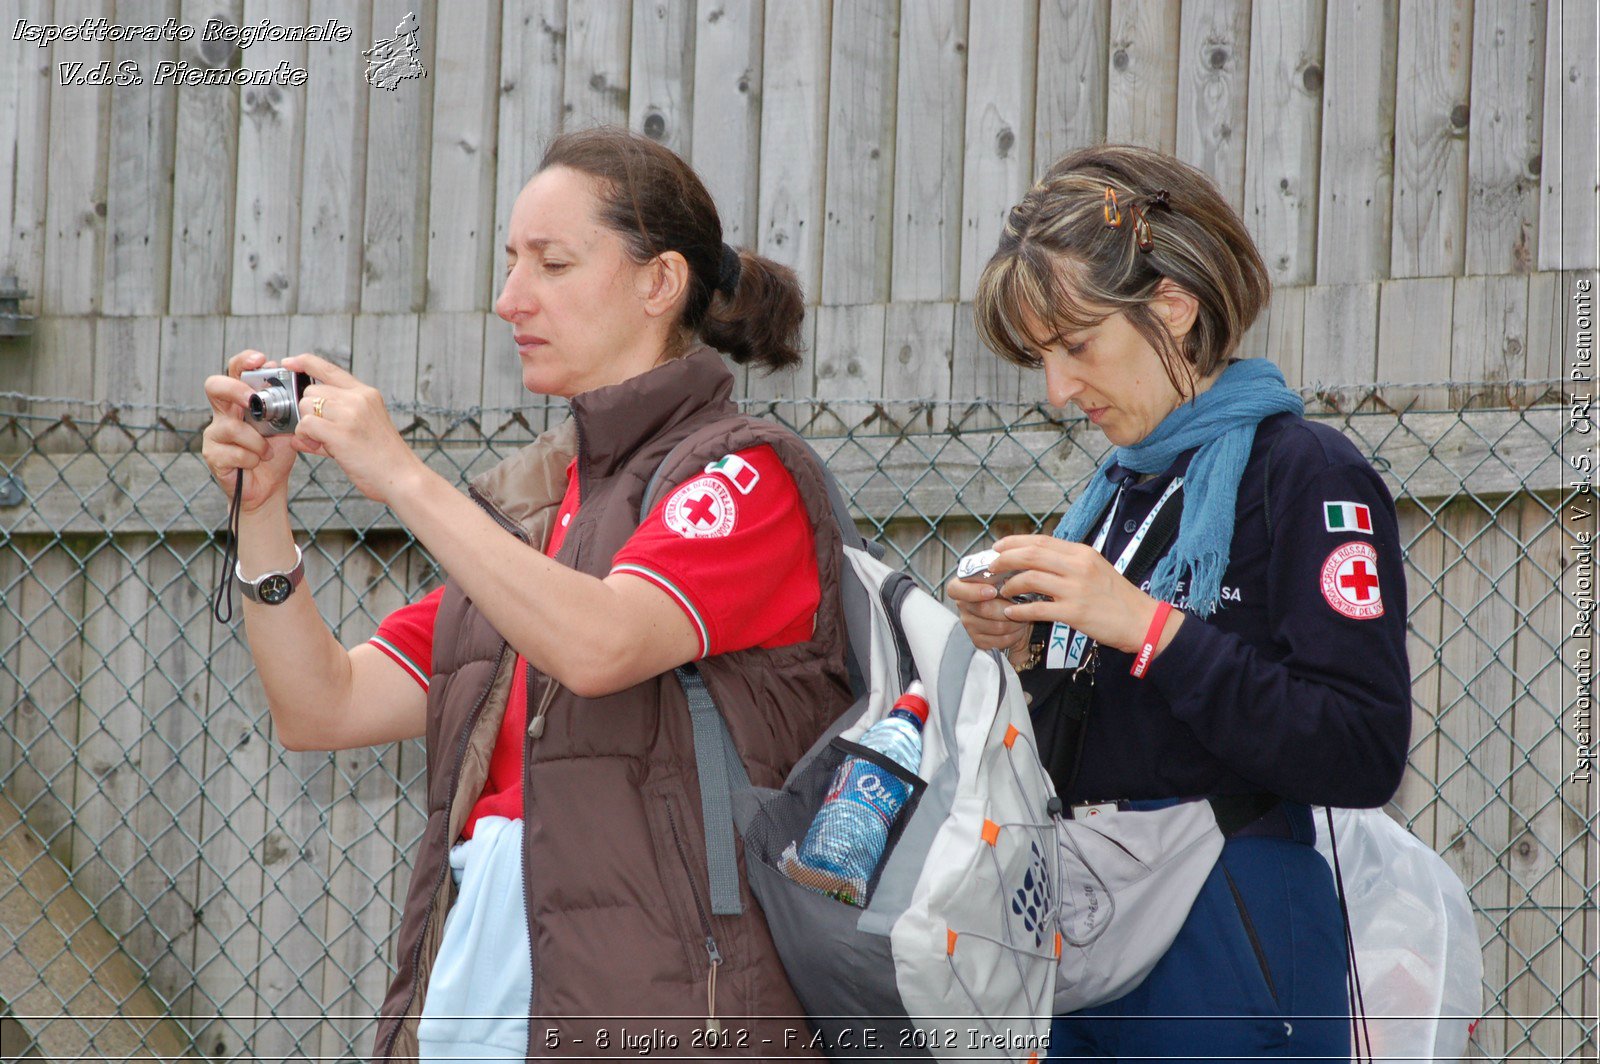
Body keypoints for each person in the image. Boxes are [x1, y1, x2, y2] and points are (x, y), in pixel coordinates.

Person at [201, 127, 852, 1061]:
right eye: (510, 263)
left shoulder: (745, 473)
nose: (510, 299)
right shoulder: (529, 508)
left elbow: (601, 646)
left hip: (670, 1011)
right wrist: (261, 513)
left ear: (658, 282)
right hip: (493, 980)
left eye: (551, 263)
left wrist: (404, 478)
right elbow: (322, 705)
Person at [945, 145, 1411, 1060]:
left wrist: (1146, 627)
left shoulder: (1307, 472)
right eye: (1041, 357)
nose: (1057, 389)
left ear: (1172, 308)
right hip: (1083, 921)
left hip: (1230, 923)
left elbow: (1364, 749)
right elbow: (1125, 737)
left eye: (1077, 346)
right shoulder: (1120, 492)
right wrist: (1027, 651)